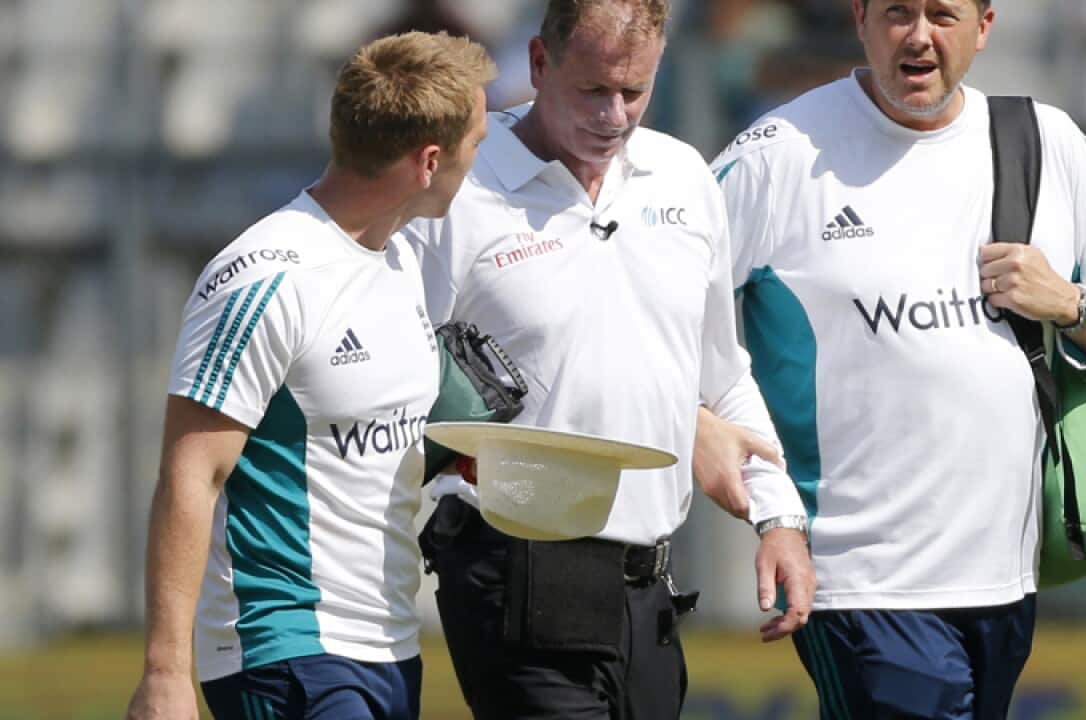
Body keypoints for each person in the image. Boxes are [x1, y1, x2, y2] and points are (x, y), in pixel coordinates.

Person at [706, 0, 1086, 718]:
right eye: (897, 12)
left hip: (1004, 582)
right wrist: (749, 478)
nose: (919, 35)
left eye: (942, 14)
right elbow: (667, 309)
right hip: (862, 585)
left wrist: (1070, 303)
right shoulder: (779, 152)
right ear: (859, 19)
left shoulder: (1046, 142)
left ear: (983, 26)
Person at [402, 1, 815, 718]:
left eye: (635, 91)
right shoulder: (455, 187)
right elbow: (391, 377)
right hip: (509, 569)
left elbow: (722, 372)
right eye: (593, 90)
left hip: (647, 581)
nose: (616, 115)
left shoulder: (685, 177)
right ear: (538, 63)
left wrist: (779, 518)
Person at [124, 32, 495, 720]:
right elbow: (190, 472)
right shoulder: (265, 277)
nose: (483, 158)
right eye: (477, 142)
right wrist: (165, 673)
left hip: (387, 643)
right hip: (285, 644)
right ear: (430, 161)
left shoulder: (401, 258)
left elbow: (346, 437)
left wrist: (453, 456)